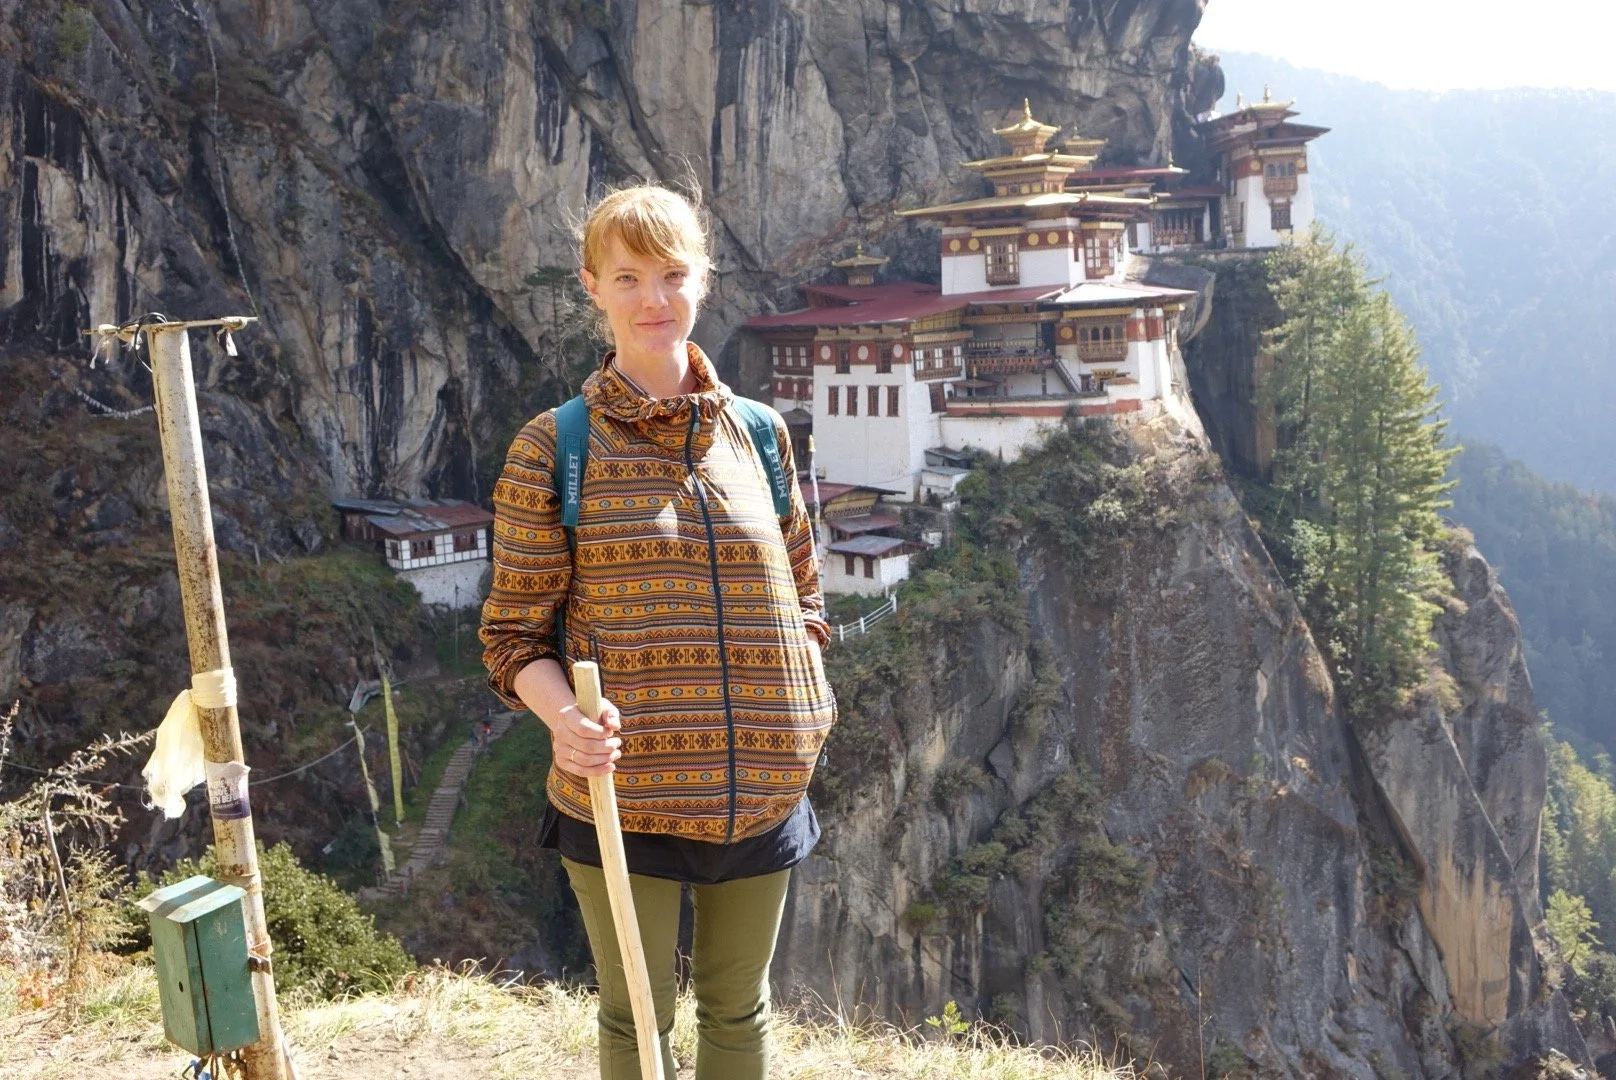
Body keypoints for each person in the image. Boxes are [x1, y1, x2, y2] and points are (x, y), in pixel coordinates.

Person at [479, 183, 836, 1080]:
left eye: (673, 275)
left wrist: (804, 703)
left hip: (761, 785)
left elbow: (804, 593)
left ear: (704, 282)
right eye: (630, 276)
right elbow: (514, 637)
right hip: (622, 791)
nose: (654, 300)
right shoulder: (553, 447)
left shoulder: (758, 435)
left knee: (738, 1010)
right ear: (592, 285)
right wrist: (563, 719)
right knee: (638, 1015)